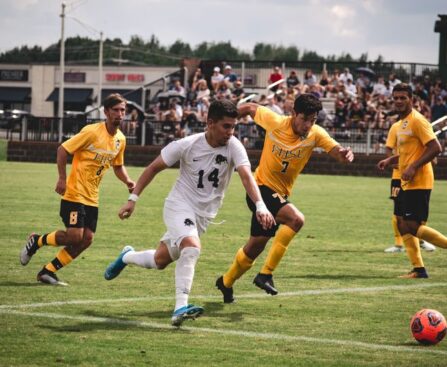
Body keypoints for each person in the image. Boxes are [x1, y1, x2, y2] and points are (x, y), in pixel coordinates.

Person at [104, 99, 275, 326]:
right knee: (192, 248)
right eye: (226, 126)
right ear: (210, 122)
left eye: (233, 127)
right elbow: (153, 168)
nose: (230, 132)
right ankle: (180, 308)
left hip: (203, 216)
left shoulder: (234, 146)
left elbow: (246, 176)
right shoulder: (186, 144)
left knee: (160, 260)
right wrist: (132, 199)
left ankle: (126, 256)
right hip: (179, 205)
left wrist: (260, 205)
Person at [216, 94, 354, 303]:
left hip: (278, 195)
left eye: (313, 120)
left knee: (254, 248)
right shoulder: (276, 122)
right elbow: (251, 107)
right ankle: (266, 274)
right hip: (260, 189)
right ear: (293, 114)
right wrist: (228, 122)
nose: (308, 125)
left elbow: (334, 150)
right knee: (295, 219)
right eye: (304, 119)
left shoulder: (315, 134)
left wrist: (343, 154)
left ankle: (225, 282)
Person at [20, 93, 136, 285]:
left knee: (87, 239)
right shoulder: (92, 132)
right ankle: (37, 241)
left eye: (123, 110)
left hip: (92, 197)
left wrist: (128, 181)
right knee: (75, 236)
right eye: (115, 110)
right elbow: (63, 150)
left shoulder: (121, 139)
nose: (120, 114)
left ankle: (47, 271)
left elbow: (117, 166)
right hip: (74, 192)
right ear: (106, 112)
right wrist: (62, 179)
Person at [378, 83, 447, 278]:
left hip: (420, 180)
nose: (399, 101)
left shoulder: (418, 120)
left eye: (403, 98)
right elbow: (408, 154)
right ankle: (418, 269)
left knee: (412, 226)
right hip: (407, 181)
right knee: (403, 223)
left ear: (411, 99)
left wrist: (413, 167)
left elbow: (435, 148)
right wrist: (391, 160)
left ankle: (421, 267)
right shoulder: (401, 124)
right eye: (396, 98)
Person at [383, 122, 436, 253]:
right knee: (398, 212)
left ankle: (421, 240)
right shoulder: (395, 127)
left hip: (417, 176)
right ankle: (399, 244)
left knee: (418, 213)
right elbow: (389, 147)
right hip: (398, 176)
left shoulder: (420, 125)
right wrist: (392, 161)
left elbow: (431, 149)